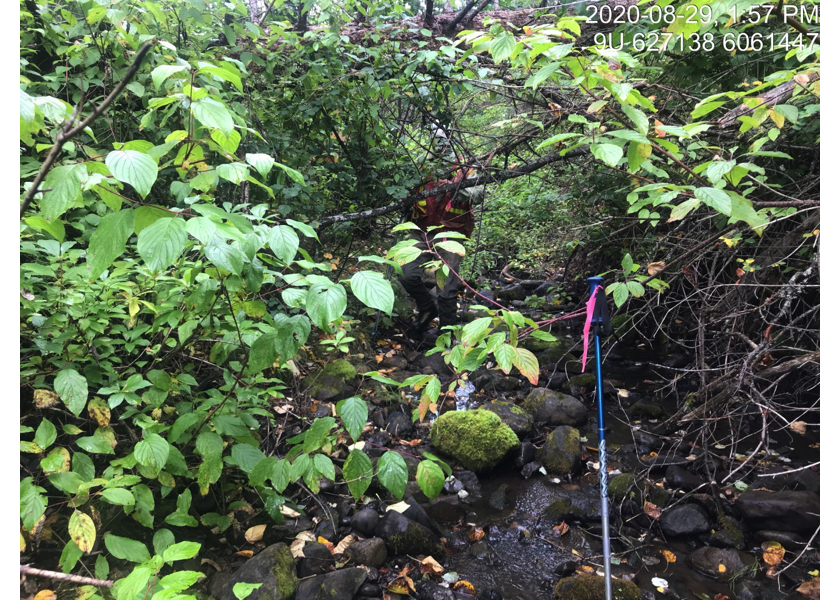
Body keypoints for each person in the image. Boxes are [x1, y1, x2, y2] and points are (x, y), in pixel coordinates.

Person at [398, 126, 485, 335]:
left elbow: (479, 193)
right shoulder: (422, 164)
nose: (440, 147)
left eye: (443, 142)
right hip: (421, 229)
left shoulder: (466, 167)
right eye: (436, 141)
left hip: (450, 233)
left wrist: (453, 187)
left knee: (446, 286)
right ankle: (428, 308)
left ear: (451, 142)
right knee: (406, 274)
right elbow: (406, 189)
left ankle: (447, 334)